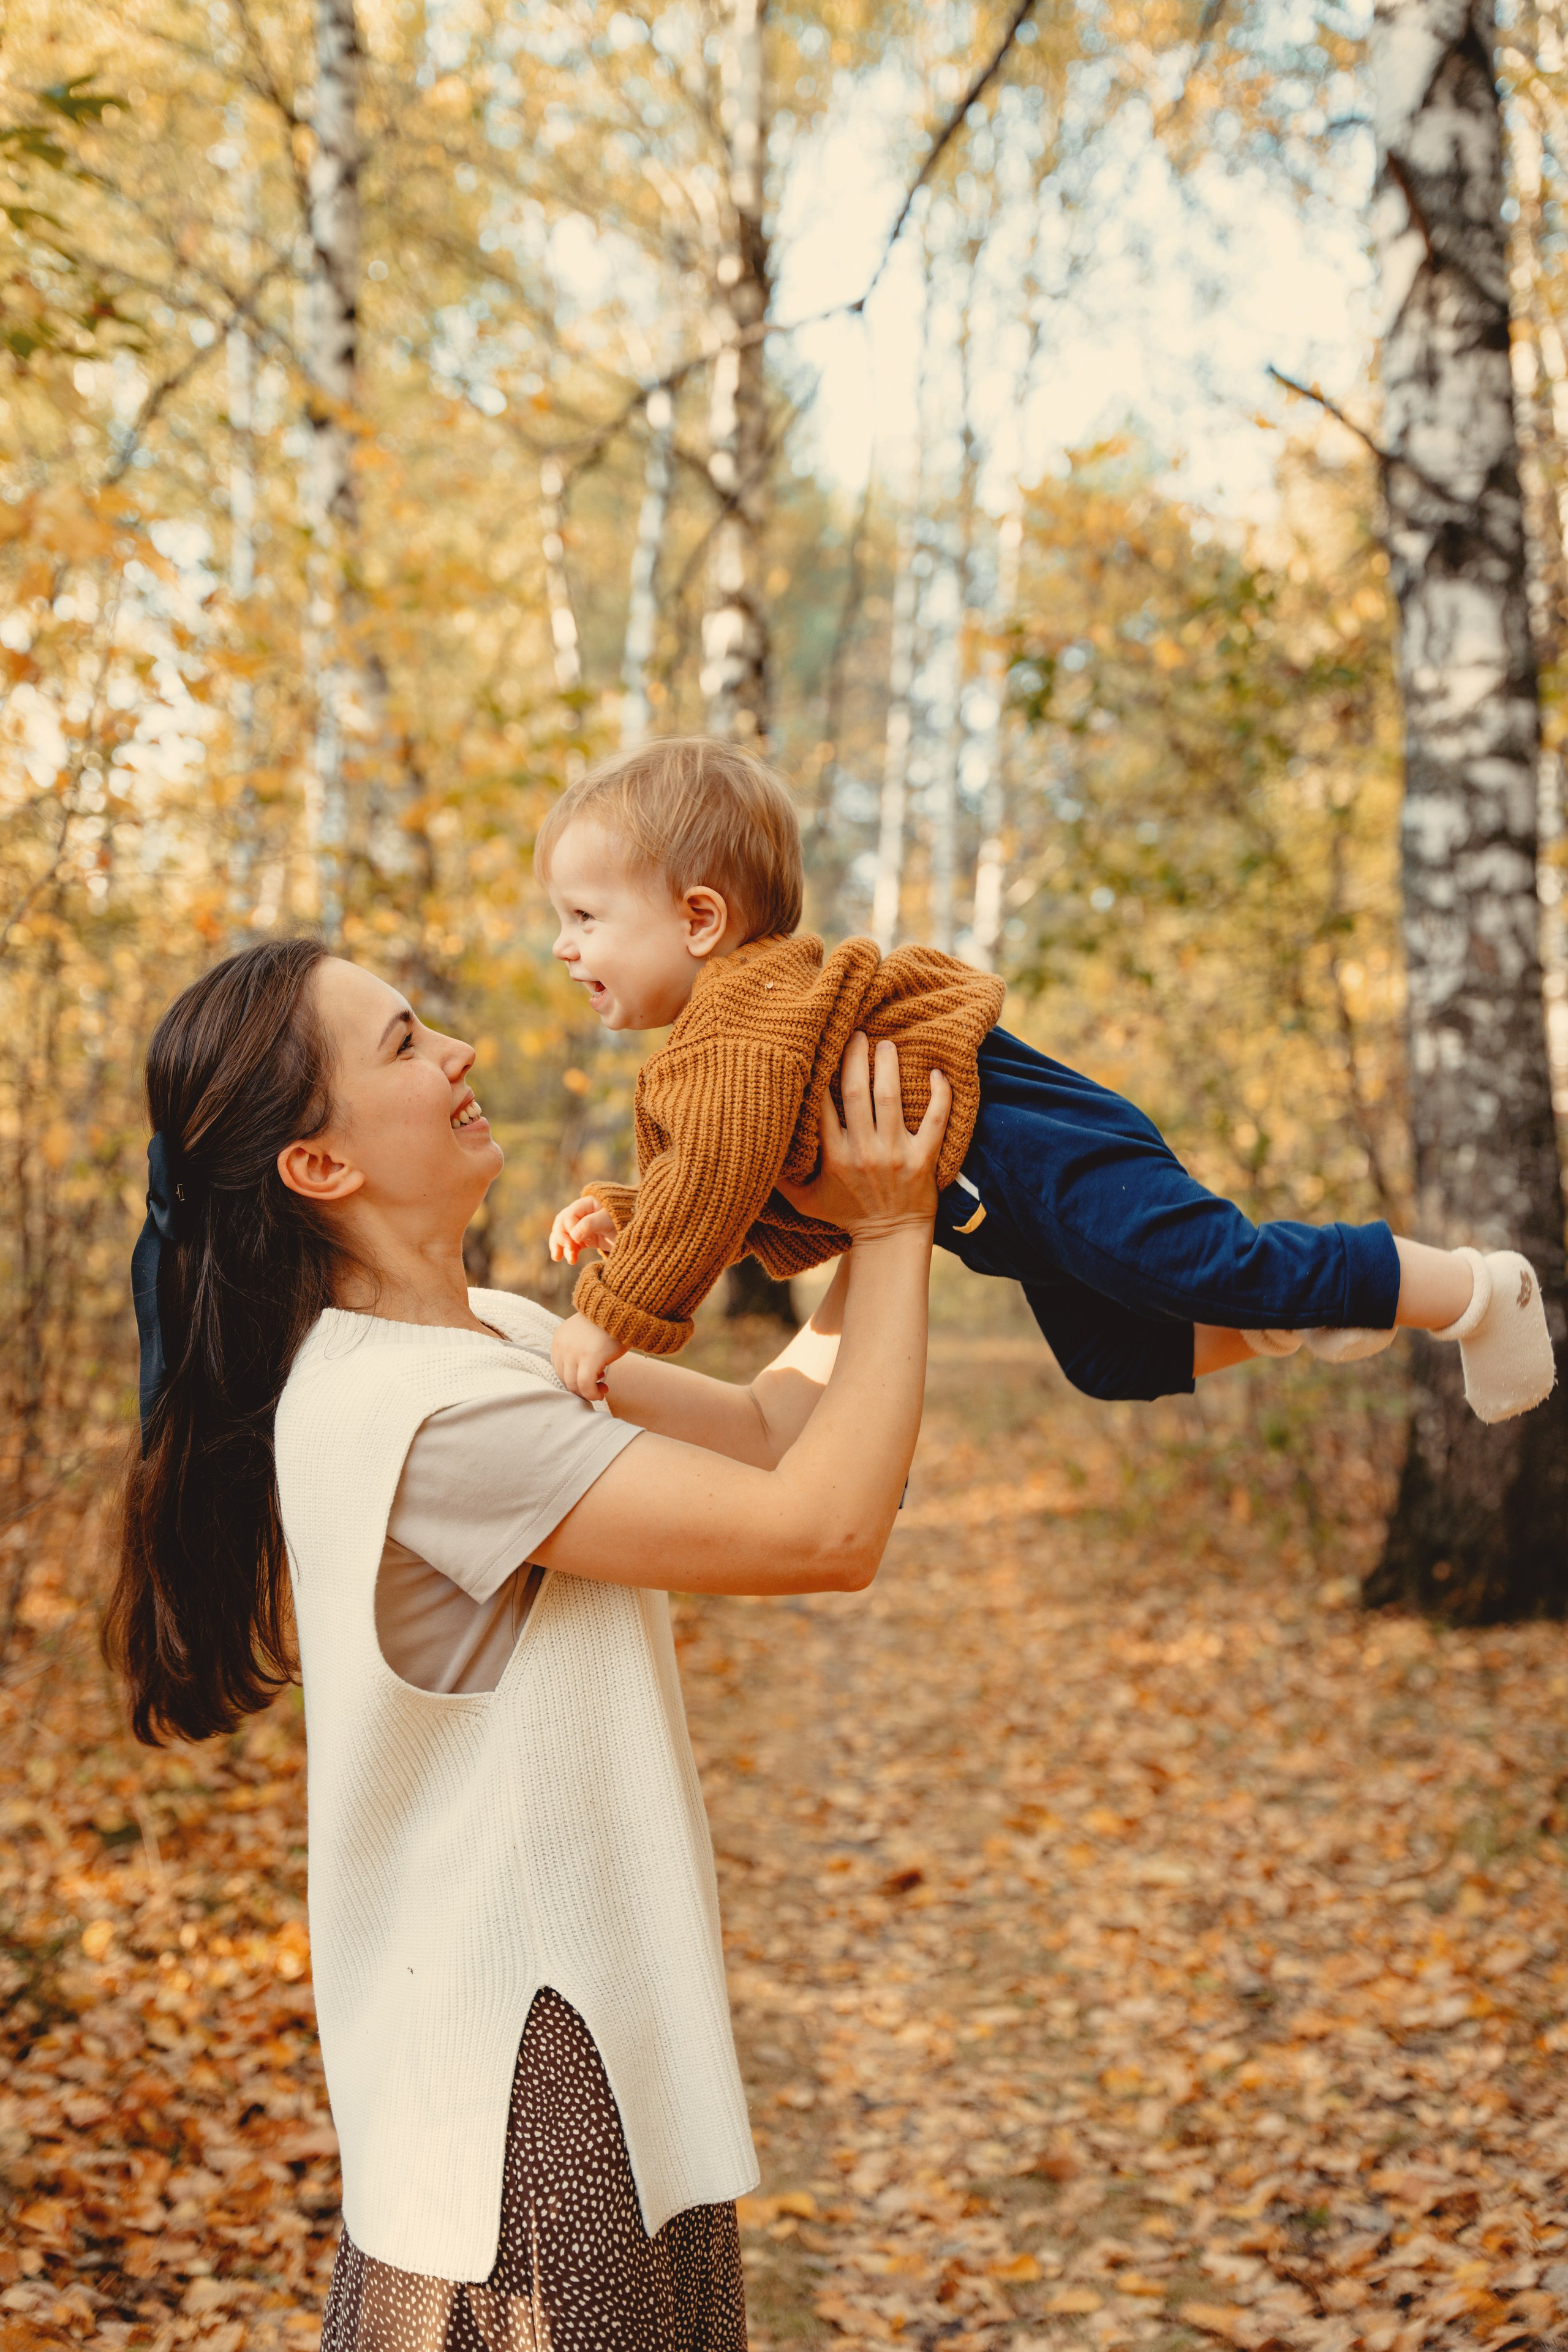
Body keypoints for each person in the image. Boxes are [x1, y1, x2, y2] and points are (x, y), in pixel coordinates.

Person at [106, 936, 950, 2352]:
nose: (458, 1055)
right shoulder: (430, 1417)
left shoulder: (484, 1337)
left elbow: (765, 1431)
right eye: (401, 1045)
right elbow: (822, 1534)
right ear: (319, 1167)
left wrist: (856, 1207)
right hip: (532, 2117)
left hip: (590, 2070)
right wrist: (894, 1231)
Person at [540, 736, 1556, 1429]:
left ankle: (1470, 1288)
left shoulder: (740, 1020)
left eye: (586, 918)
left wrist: (614, 1311)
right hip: (997, 1201)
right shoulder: (735, 1046)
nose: (562, 946)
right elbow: (760, 1187)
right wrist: (636, 1214)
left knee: (1204, 1258)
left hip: (1028, 1141)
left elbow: (718, 1171)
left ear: (701, 919)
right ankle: (1284, 1312)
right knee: (1108, 1363)